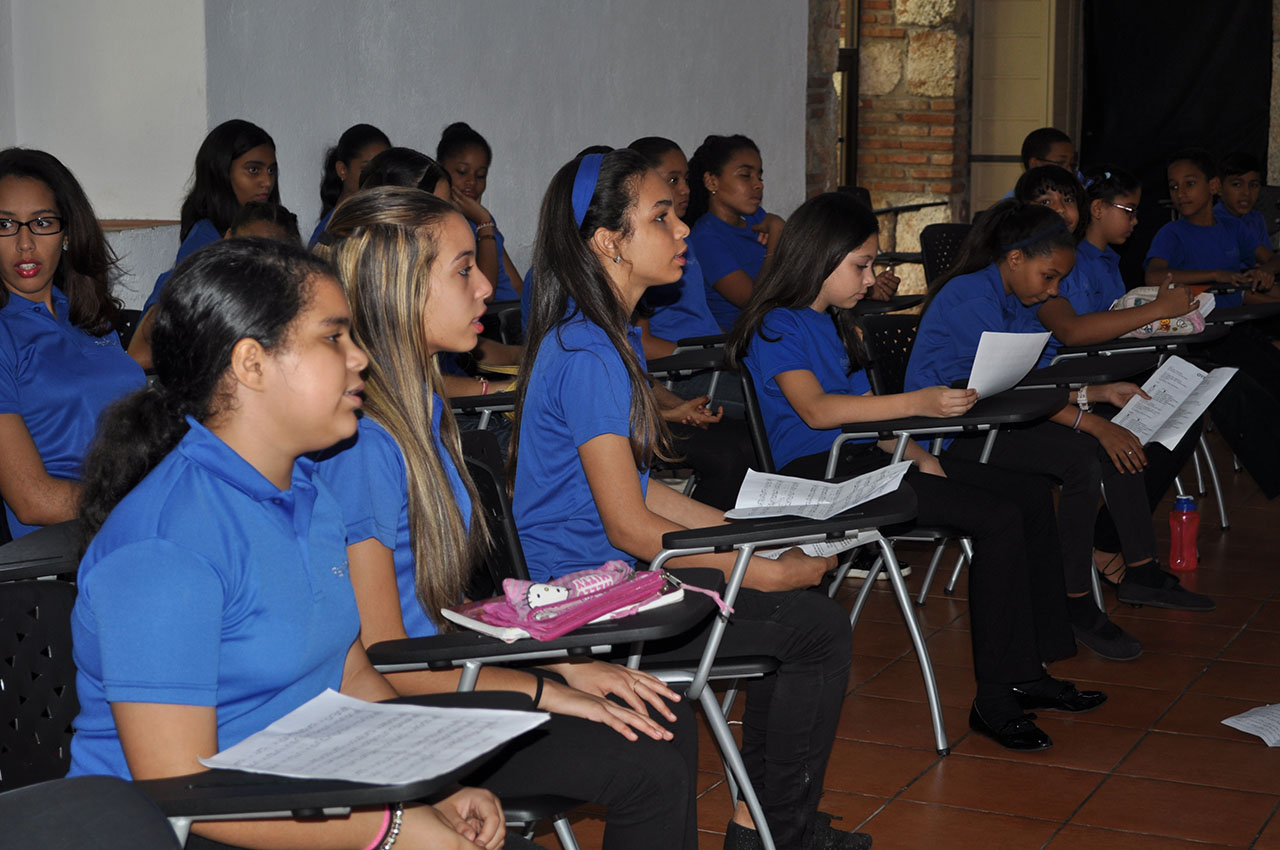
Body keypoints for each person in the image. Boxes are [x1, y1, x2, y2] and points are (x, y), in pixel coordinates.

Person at [70, 238, 514, 850]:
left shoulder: (309, 494)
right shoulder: (165, 545)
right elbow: (178, 790)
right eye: (333, 337)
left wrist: (431, 790)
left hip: (306, 789)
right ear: (252, 364)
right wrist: (390, 828)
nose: (360, 357)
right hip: (182, 830)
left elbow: (350, 675)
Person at [313, 186, 697, 849]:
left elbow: (447, 606)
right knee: (648, 760)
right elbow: (387, 658)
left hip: (447, 674)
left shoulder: (423, 410)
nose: (487, 286)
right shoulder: (368, 445)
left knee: (662, 714)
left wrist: (564, 664)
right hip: (407, 706)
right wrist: (542, 688)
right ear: (402, 291)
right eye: (463, 269)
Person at [511, 148, 869, 850]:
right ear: (608, 241)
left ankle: (763, 822)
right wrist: (761, 571)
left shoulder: (601, 337)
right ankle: (770, 830)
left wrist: (750, 530)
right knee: (814, 630)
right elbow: (629, 525)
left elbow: (637, 490)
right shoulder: (588, 352)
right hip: (587, 600)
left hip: (612, 581)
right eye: (661, 217)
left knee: (806, 623)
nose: (682, 230)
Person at [726, 189, 1101, 746]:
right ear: (819, 258)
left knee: (1026, 496)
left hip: (861, 462)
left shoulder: (836, 323)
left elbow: (873, 424)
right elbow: (818, 411)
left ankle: (1028, 671)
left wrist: (922, 457)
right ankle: (995, 698)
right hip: (818, 474)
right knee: (996, 518)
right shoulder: (777, 326)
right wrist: (917, 403)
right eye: (860, 265)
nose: (869, 278)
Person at [906, 200, 1176, 659]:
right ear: (1015, 259)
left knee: (1093, 450)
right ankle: (1074, 599)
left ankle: (1112, 578)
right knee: (1082, 457)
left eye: (1058, 281)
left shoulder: (1015, 297)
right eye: (1048, 276)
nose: (1053, 291)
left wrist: (1094, 394)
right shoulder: (972, 297)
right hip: (947, 435)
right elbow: (1003, 389)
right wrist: (1090, 420)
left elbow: (1023, 382)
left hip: (990, 420)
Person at [1015, 167, 1213, 610]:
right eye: (1046, 203)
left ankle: (1129, 560)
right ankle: (1114, 558)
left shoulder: (1077, 259)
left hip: (1080, 381)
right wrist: (1156, 311)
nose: (1062, 212)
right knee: (1126, 433)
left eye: (1068, 200)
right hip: (1055, 388)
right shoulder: (1038, 269)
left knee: (1180, 413)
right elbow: (1071, 333)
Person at [0, 148, 145, 538]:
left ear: (66, 233)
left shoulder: (88, 315)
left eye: (42, 222)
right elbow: (32, 501)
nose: (25, 243)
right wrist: (150, 506)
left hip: (131, 523)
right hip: (64, 548)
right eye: (5, 224)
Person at [129, 201, 302, 370]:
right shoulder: (193, 283)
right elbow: (140, 356)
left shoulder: (297, 299)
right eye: (245, 246)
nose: (254, 262)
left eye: (270, 253)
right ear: (227, 238)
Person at [684, 134, 785, 332]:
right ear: (712, 182)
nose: (758, 184)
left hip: (781, 327)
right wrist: (777, 234)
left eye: (759, 176)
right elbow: (756, 301)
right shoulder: (705, 239)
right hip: (746, 339)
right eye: (745, 175)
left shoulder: (756, 218)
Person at [437, 122, 522, 301]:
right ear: (440, 168)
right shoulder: (443, 225)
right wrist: (483, 223)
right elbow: (484, 295)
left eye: (480, 175)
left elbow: (517, 285)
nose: (472, 182)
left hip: (512, 312)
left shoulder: (483, 220)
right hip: (489, 316)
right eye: (462, 172)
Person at [176, 119, 279, 265]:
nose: (267, 182)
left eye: (271, 170)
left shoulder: (271, 230)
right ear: (221, 173)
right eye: (253, 170)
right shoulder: (204, 244)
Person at [310, 123, 391, 247]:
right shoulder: (330, 232)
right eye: (366, 169)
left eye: (383, 169)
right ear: (342, 170)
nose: (378, 177)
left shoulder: (384, 221)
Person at [1001, 127, 1078, 198]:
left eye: (1072, 164)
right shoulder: (1016, 202)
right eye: (1060, 163)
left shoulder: (1074, 194)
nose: (1069, 171)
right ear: (1035, 164)